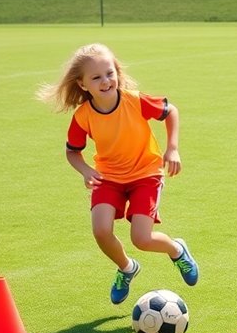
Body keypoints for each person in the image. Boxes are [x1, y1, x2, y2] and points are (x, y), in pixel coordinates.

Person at [38, 43, 199, 305]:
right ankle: (127, 268)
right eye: (96, 77)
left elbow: (171, 112)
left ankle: (177, 250)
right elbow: (72, 152)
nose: (105, 81)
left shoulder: (135, 101)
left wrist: (172, 148)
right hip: (108, 177)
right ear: (82, 84)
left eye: (109, 73)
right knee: (101, 231)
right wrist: (85, 170)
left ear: (117, 72)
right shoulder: (83, 117)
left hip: (145, 174)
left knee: (142, 239)